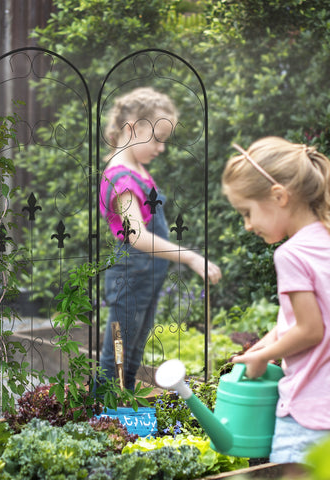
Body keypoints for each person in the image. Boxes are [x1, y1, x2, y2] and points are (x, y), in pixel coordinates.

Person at [99, 87, 221, 391]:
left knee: (133, 351)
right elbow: (136, 235)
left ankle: (120, 412)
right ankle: (100, 412)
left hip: (146, 276)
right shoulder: (121, 177)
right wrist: (191, 256)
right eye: (156, 138)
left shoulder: (135, 168)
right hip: (131, 276)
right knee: (116, 354)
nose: (162, 148)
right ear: (132, 128)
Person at [222, 136, 330, 474]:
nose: (248, 225)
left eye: (247, 213)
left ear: (279, 197)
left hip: (307, 416)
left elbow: (311, 329)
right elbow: (301, 319)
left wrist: (263, 355)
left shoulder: (291, 254)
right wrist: (262, 345)